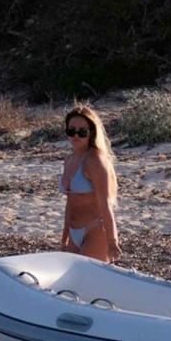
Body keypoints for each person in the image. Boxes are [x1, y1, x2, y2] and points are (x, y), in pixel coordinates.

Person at [58, 105, 121, 262]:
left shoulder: (95, 160)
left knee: (90, 282)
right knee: (71, 283)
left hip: (95, 231)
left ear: (91, 132)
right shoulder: (69, 160)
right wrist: (64, 238)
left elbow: (106, 203)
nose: (76, 135)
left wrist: (112, 242)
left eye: (82, 131)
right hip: (74, 232)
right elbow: (70, 203)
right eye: (71, 130)